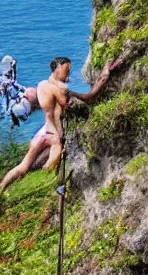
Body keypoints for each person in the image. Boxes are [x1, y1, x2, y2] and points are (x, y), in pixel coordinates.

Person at [0, 56, 113, 193]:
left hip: (43, 132)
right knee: (50, 168)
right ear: (57, 69)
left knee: (23, 167)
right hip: (54, 137)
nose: (68, 75)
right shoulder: (61, 91)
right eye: (66, 71)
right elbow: (89, 96)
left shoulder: (42, 86)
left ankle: (2, 187)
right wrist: (105, 75)